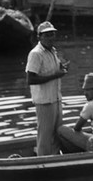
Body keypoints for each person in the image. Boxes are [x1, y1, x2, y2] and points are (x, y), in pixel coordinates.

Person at [26, 21, 69, 156]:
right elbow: (31, 79)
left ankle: (55, 157)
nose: (51, 38)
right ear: (39, 37)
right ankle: (42, 159)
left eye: (52, 34)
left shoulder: (53, 51)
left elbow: (55, 71)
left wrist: (62, 69)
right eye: (47, 35)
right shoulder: (36, 54)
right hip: (44, 101)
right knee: (45, 134)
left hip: (56, 98)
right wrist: (55, 75)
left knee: (57, 132)